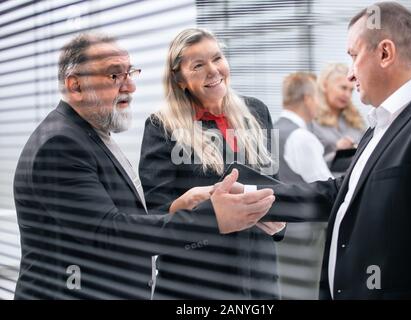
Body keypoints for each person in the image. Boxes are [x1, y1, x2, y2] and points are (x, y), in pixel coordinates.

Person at [12, 33, 275, 300]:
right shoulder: (60, 145)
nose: (130, 86)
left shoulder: (85, 136)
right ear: (76, 86)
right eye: (114, 76)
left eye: (130, 73)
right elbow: (110, 233)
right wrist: (212, 217)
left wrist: (181, 206)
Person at [242, 1, 411, 299]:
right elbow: (342, 192)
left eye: (353, 56)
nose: (350, 75)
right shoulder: (383, 122)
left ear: (385, 53)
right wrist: (250, 195)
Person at [139, 28, 286, 299]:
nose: (213, 70)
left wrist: (281, 223)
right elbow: (155, 213)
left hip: (259, 275)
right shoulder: (162, 126)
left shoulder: (257, 112)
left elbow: (273, 188)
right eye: (198, 65)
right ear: (180, 79)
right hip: (197, 281)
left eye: (217, 58)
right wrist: (189, 202)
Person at [274, 72, 332, 299]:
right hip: (306, 239)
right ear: (308, 99)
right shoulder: (302, 138)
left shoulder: (270, 131)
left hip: (280, 233)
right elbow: (328, 189)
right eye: (317, 98)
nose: (319, 104)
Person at [310, 63, 366, 170]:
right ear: (325, 85)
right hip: (325, 183)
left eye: (351, 90)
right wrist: (337, 151)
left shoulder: (355, 119)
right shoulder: (310, 121)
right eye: (343, 88)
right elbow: (305, 165)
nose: (347, 95)